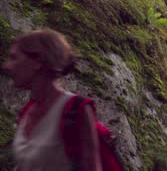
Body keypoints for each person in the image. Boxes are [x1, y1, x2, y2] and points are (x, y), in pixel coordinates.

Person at [2, 29, 102, 171]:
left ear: (38, 62)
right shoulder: (28, 111)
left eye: (14, 58)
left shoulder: (75, 109)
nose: (7, 66)